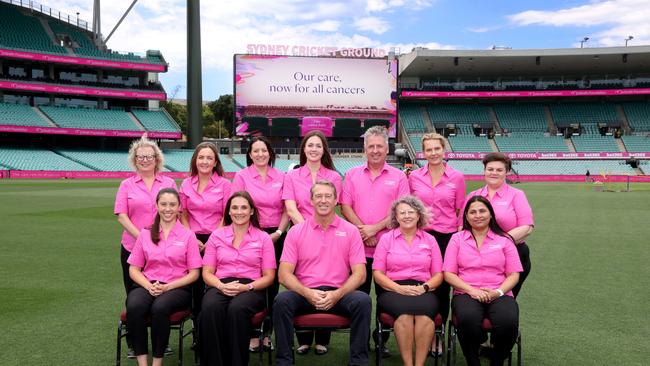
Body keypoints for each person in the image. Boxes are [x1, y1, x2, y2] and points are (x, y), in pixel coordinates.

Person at [273, 180, 371, 366]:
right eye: (318, 196)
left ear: (336, 201)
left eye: (328, 196)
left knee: (363, 301)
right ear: (311, 200)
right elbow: (284, 275)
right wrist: (307, 293)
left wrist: (336, 294)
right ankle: (284, 362)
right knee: (282, 301)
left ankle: (358, 362)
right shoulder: (296, 231)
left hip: (338, 294)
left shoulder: (350, 231)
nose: (323, 200)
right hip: (305, 293)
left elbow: (360, 274)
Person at [340, 125, 409, 355]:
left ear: (387, 147)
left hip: (387, 249)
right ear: (365, 149)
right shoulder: (351, 174)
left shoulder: (399, 177)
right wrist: (364, 231)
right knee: (357, 297)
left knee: (386, 298)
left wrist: (374, 229)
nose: (376, 150)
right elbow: (345, 206)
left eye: (380, 146)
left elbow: (401, 210)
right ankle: (358, 344)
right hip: (357, 249)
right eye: (372, 146)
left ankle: (382, 340)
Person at [126, 188, 202, 366]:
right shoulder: (145, 234)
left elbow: (194, 273)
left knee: (160, 308)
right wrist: (148, 286)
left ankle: (157, 362)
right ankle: (142, 362)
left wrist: (167, 287)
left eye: (172, 204)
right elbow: (134, 269)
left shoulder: (188, 235)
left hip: (177, 287)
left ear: (179, 208)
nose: (168, 209)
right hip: (148, 284)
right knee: (134, 306)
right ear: (157, 206)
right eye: (164, 204)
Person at [199, 191, 276, 366]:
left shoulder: (263, 238)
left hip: (251, 287)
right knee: (210, 307)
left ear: (251, 211)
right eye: (234, 207)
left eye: (243, 207)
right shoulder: (217, 236)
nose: (239, 212)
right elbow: (207, 272)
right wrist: (220, 286)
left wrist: (245, 288)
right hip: (220, 284)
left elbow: (269, 277)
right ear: (228, 211)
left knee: (237, 309)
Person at [281, 130, 342, 354]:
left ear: (323, 149)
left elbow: (332, 207)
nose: (314, 149)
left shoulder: (334, 176)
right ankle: (304, 339)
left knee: (325, 277)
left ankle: (322, 339)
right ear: (304, 149)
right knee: (301, 280)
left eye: (318, 145)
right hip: (299, 234)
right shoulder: (292, 176)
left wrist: (320, 229)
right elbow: (290, 207)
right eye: (310, 145)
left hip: (328, 233)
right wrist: (307, 229)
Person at [443, 196, 522, 366]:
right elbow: (449, 274)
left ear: (491, 214)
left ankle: (497, 361)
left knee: (508, 322)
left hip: (499, 292)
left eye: (482, 211)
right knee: (468, 319)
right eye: (472, 212)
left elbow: (514, 274)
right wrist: (472, 291)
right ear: (466, 216)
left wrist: (498, 292)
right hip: (466, 292)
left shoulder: (505, 240)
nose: (477, 215)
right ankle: (473, 361)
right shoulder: (457, 239)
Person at [408, 133, 465, 355]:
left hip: (446, 237)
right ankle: (419, 329)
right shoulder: (414, 177)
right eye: (428, 150)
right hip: (420, 236)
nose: (433, 153)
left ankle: (436, 335)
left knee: (442, 288)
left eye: (436, 149)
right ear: (423, 152)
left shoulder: (457, 177)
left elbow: (460, 210)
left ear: (444, 151)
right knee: (421, 283)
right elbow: (409, 206)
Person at [231, 136, 289, 351]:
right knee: (251, 283)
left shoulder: (281, 176)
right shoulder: (242, 176)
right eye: (255, 151)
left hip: (277, 235)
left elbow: (286, 208)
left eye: (263, 150)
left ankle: (268, 334)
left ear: (270, 152)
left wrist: (280, 232)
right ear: (249, 154)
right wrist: (254, 235)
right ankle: (252, 334)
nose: (260, 154)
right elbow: (236, 207)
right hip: (250, 235)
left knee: (272, 286)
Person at [372, 196, 443, 366]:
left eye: (411, 212)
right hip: (392, 290)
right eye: (401, 212)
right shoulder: (386, 239)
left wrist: (424, 288)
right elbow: (378, 273)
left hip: (423, 289)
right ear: (395, 217)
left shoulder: (430, 240)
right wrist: (398, 288)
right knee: (404, 317)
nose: (406, 216)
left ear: (419, 215)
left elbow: (439, 274)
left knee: (425, 318)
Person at [463, 153, 534, 297]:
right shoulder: (473, 196)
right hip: (476, 257)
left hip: (513, 255)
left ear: (507, 172)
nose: (494, 173)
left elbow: (527, 227)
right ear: (484, 171)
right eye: (490, 169)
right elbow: (462, 227)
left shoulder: (517, 195)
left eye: (499, 170)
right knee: (476, 299)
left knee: (504, 301)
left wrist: (498, 244)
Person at [115, 136, 177, 295]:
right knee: (133, 293)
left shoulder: (168, 183)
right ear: (134, 160)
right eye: (140, 157)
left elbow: (175, 213)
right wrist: (143, 238)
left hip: (163, 245)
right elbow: (122, 215)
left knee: (162, 292)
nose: (145, 160)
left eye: (149, 156)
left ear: (156, 159)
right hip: (132, 245)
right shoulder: (126, 185)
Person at [179, 142, 231, 318]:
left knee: (213, 282)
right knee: (195, 284)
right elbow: (183, 214)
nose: (205, 161)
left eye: (209, 158)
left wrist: (212, 239)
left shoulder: (225, 184)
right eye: (201, 157)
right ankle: (196, 326)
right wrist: (191, 237)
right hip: (191, 239)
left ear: (215, 162)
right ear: (195, 161)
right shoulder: (186, 184)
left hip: (218, 238)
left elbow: (227, 215)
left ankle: (212, 322)